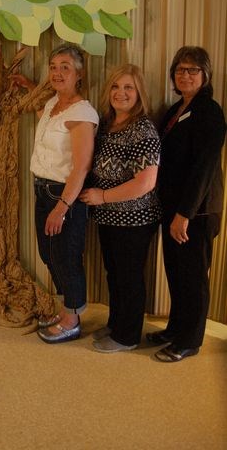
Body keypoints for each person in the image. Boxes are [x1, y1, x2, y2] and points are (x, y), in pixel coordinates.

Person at [12, 43, 99, 343]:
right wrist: (29, 86)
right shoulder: (53, 104)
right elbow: (45, 117)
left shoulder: (82, 113)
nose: (58, 73)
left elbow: (82, 167)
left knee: (66, 257)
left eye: (66, 67)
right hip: (42, 190)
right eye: (54, 67)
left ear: (79, 74)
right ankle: (66, 310)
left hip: (64, 195)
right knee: (48, 254)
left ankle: (72, 319)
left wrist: (62, 206)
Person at [148, 46, 226, 362]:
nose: (185, 75)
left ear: (205, 75)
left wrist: (185, 214)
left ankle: (190, 340)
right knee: (176, 273)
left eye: (193, 70)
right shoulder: (177, 108)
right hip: (173, 208)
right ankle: (175, 328)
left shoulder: (210, 111)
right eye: (180, 69)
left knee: (192, 276)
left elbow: (204, 167)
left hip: (197, 210)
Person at [80, 64, 161, 353]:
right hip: (109, 217)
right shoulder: (107, 122)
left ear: (139, 93)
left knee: (128, 276)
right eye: (115, 86)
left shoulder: (142, 129)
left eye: (128, 87)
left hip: (134, 218)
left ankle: (127, 337)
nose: (121, 93)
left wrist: (102, 196)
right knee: (113, 273)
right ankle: (117, 323)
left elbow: (145, 182)